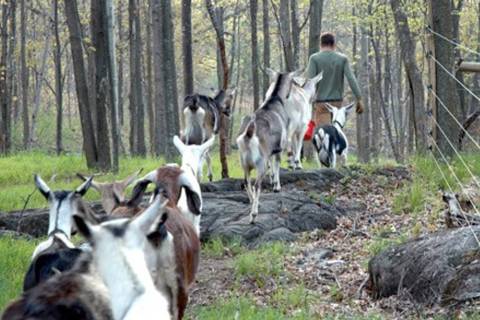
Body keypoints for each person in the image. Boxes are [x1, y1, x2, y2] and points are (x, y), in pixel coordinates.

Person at [306, 32, 364, 128]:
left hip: (321, 104)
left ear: (321, 44)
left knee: (322, 135)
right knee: (336, 132)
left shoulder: (314, 59)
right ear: (333, 44)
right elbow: (351, 78)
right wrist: (359, 98)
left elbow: (310, 83)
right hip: (337, 104)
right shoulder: (342, 59)